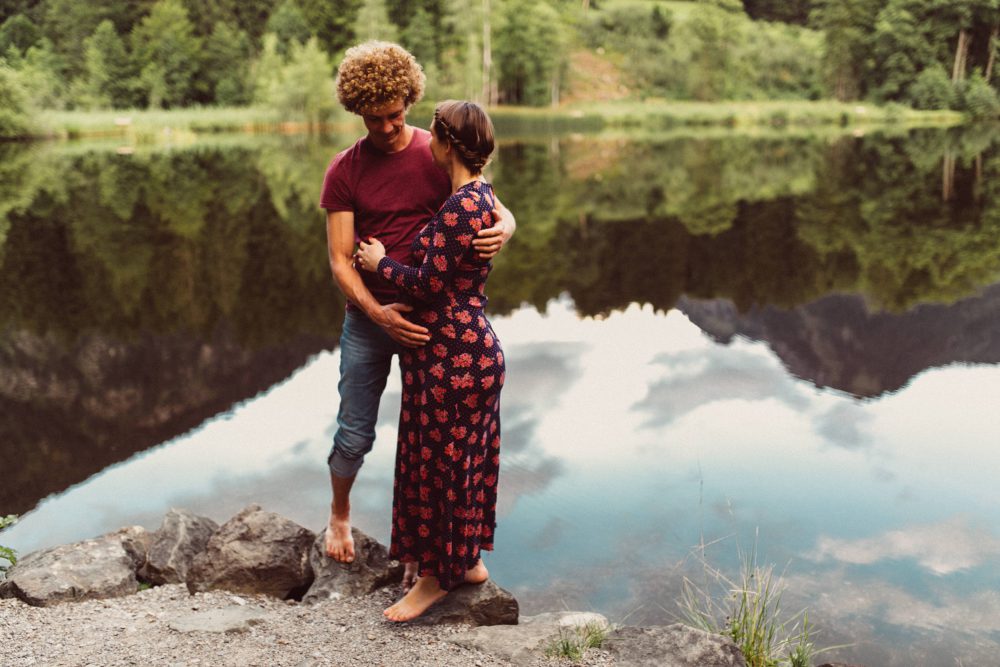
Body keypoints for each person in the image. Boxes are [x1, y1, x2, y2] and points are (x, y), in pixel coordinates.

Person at [319, 41, 515, 594]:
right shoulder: (345, 170)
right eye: (373, 117)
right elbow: (339, 260)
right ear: (357, 110)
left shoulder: (438, 149)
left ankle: (423, 552)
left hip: (436, 324)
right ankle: (339, 513)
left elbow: (488, 203)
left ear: (410, 98)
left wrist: (509, 228)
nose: (386, 126)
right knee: (357, 431)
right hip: (371, 316)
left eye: (396, 113)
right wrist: (379, 312)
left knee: (426, 443)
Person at [355, 100, 504, 621]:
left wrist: (380, 263)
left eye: (434, 136)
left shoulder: (461, 205)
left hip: (454, 359)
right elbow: (447, 282)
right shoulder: (477, 196)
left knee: (443, 467)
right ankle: (464, 562)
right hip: (458, 350)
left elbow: (431, 280)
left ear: (445, 143)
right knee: (459, 462)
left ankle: (436, 579)